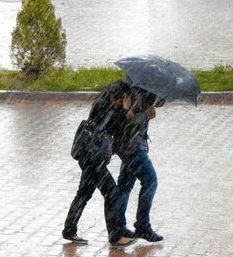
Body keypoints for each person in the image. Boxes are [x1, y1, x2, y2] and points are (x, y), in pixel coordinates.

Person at [62, 80, 136, 247]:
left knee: (84, 193)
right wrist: (125, 111)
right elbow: (118, 129)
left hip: (88, 156)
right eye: (125, 98)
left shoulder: (103, 102)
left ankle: (69, 230)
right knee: (112, 193)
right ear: (120, 97)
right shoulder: (107, 108)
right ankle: (115, 236)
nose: (126, 101)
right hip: (94, 159)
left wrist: (123, 111)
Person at [113, 87, 165, 242]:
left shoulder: (145, 88)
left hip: (131, 145)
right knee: (150, 181)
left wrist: (155, 102)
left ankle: (118, 227)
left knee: (125, 186)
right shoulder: (133, 90)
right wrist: (145, 115)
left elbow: (159, 103)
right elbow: (127, 121)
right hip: (132, 146)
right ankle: (142, 225)